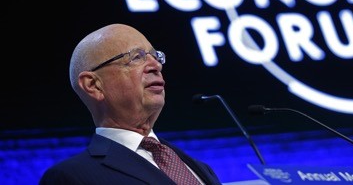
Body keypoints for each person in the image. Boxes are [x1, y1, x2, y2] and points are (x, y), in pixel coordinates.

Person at [40, 23, 222, 184]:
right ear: (93, 85)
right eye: (136, 57)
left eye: (155, 56)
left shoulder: (198, 167)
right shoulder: (70, 177)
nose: (156, 66)